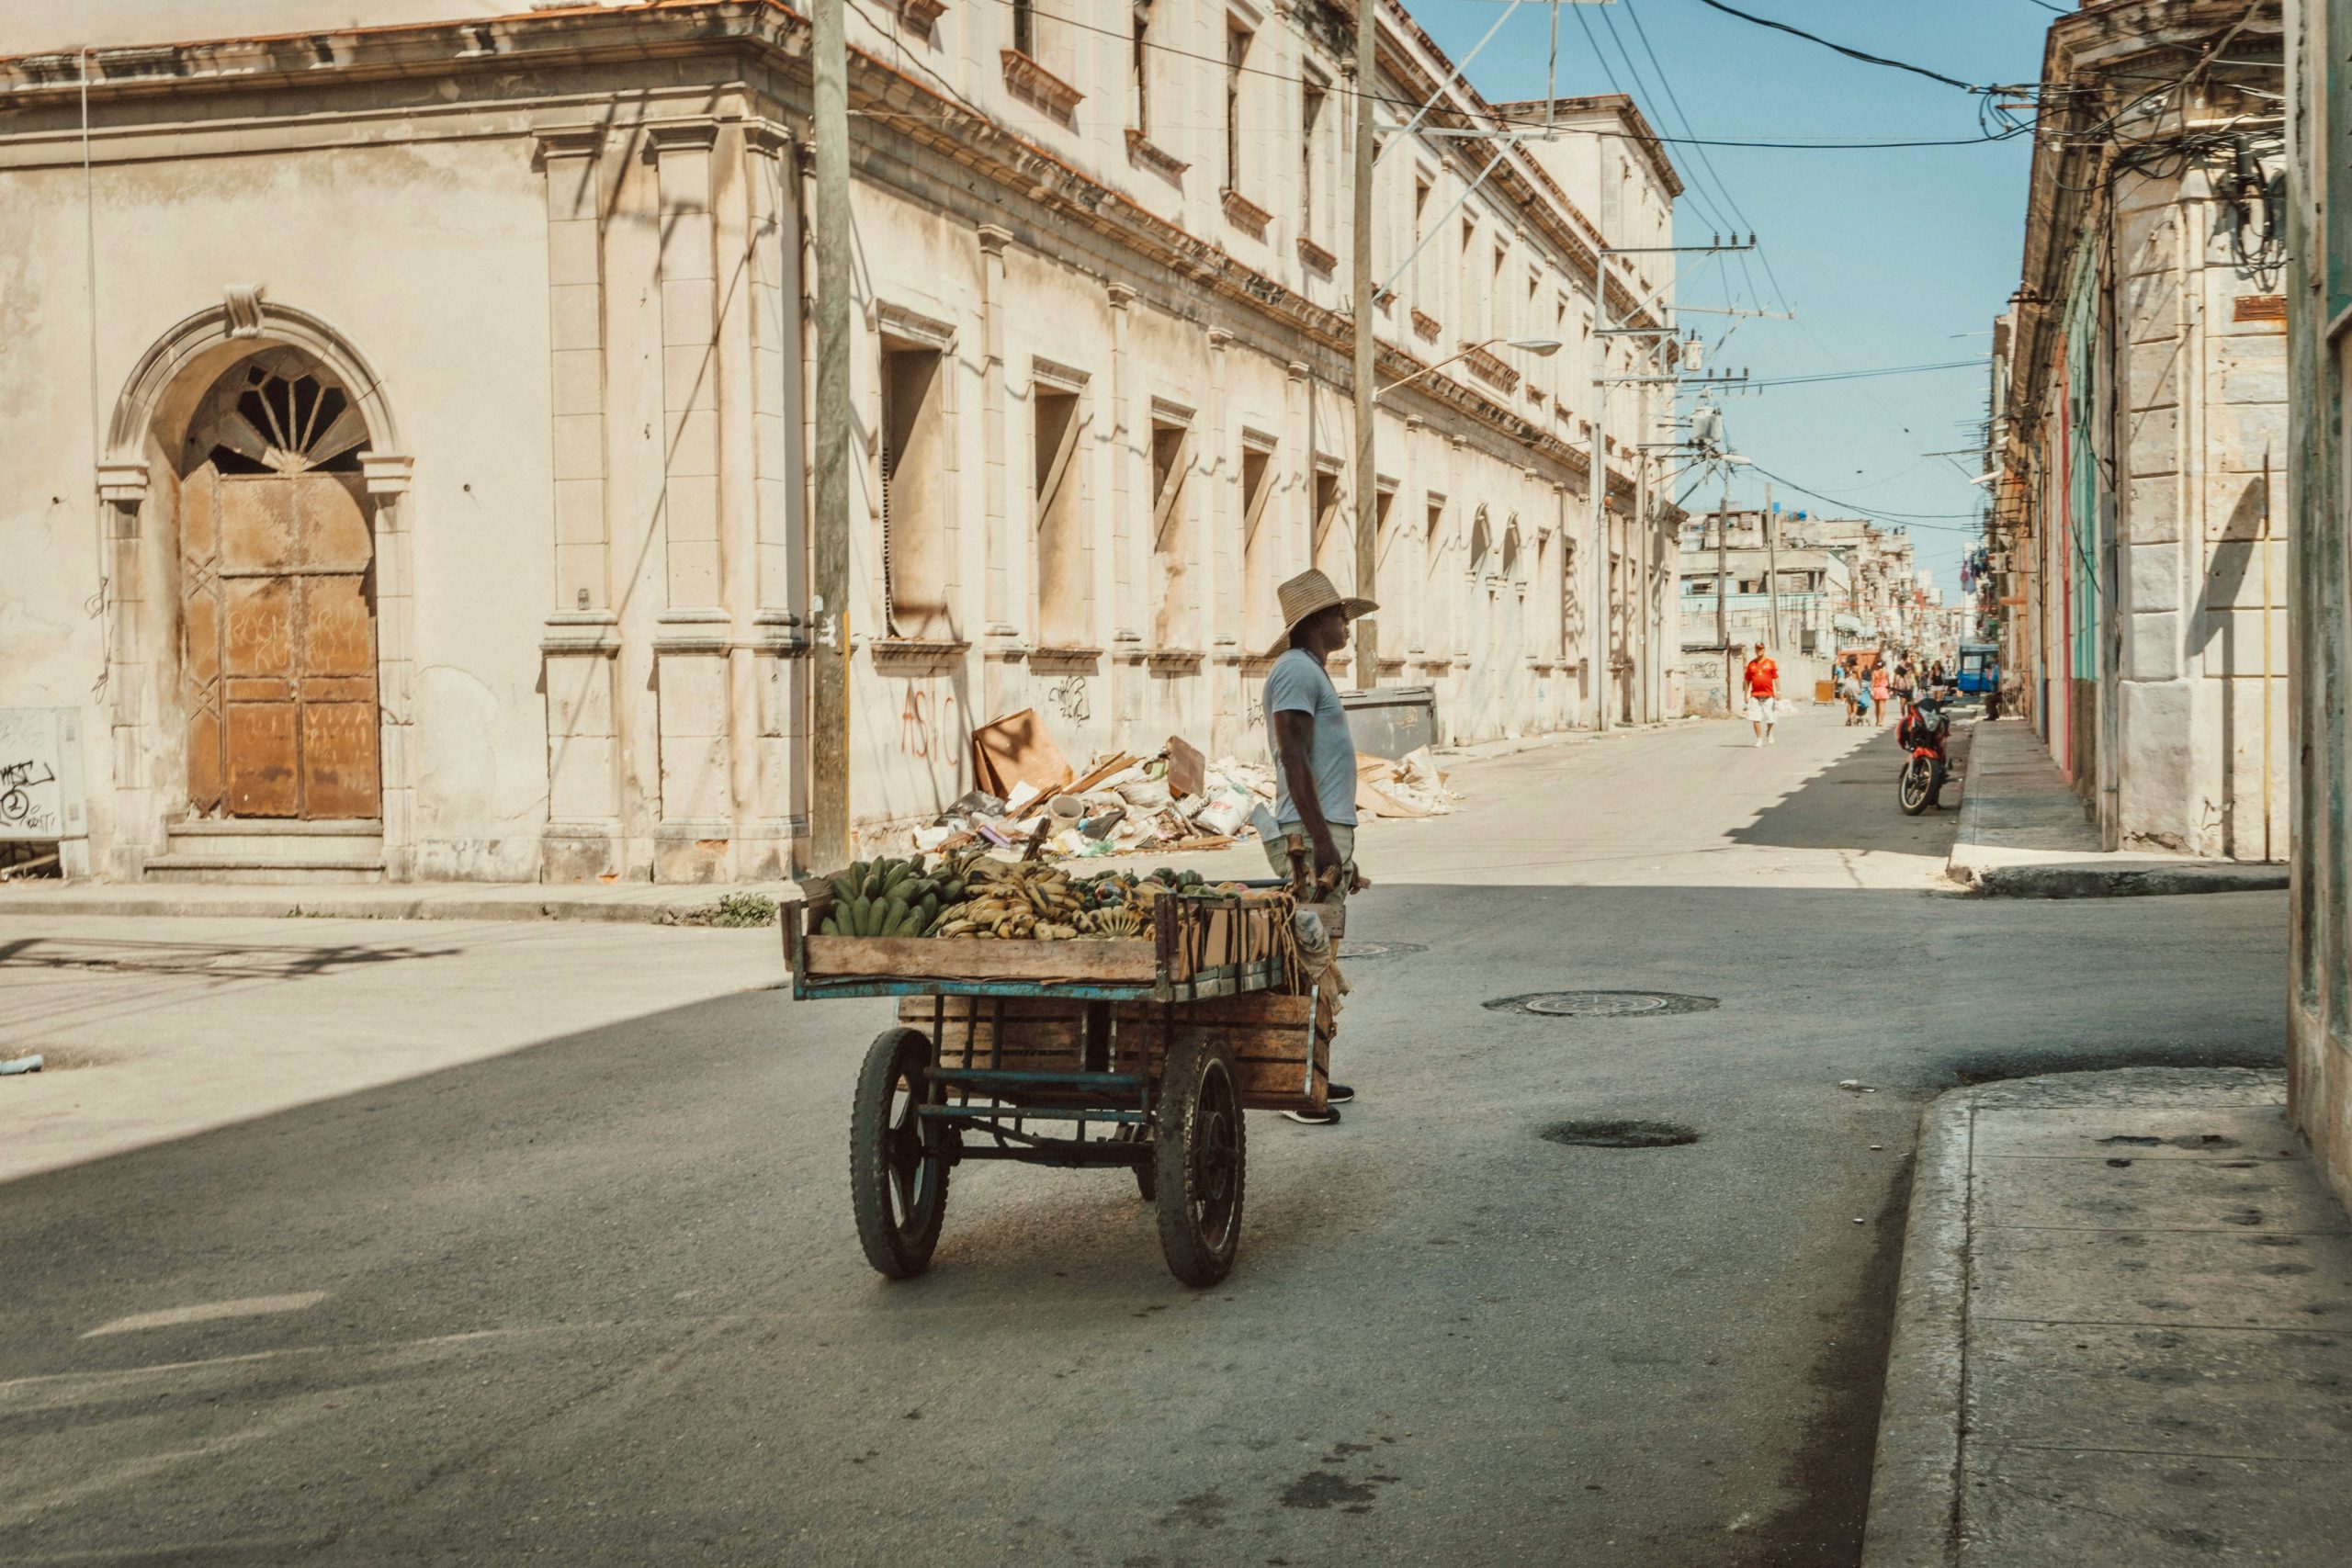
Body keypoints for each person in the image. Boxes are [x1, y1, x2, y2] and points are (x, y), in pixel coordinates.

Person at [1261, 568, 1367, 1126]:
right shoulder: (1296, 672)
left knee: (1321, 960)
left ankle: (1314, 1076)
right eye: (1338, 613)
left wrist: (1344, 852)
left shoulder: (1310, 673)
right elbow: (1294, 758)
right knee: (1308, 961)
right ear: (1313, 623)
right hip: (1308, 837)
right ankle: (1298, 1089)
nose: (1345, 621)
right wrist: (1324, 842)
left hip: (1324, 833)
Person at [1741, 640, 1779, 746]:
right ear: (1755, 650)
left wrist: (1778, 691)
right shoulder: (1751, 664)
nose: (1759, 651)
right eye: (1757, 649)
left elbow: (1776, 678)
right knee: (1755, 718)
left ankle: (1769, 731)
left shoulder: (1770, 663)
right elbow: (1747, 680)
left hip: (1768, 695)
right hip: (1755, 696)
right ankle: (1759, 739)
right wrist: (1746, 694)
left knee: (1771, 718)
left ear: (1764, 649)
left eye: (1761, 649)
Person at [1869, 661, 1891, 728]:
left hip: (1876, 689)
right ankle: (1881, 721)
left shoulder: (1874, 672)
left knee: (1877, 707)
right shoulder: (1886, 672)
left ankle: (1877, 720)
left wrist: (1872, 691)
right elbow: (1889, 682)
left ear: (1877, 665)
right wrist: (1889, 690)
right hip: (1884, 689)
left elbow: (1873, 682)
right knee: (1883, 706)